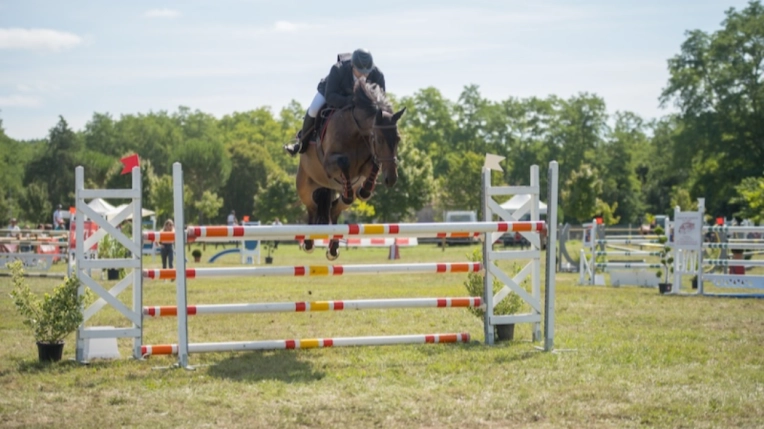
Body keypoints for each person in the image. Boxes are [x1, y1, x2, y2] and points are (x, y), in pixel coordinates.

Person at [284, 48, 386, 156]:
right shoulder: (338, 69)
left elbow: (381, 103)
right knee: (314, 109)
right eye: (360, 71)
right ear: (352, 66)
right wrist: (352, 101)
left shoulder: (377, 75)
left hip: (359, 103)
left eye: (366, 72)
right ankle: (300, 143)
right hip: (332, 92)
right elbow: (330, 96)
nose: (363, 75)